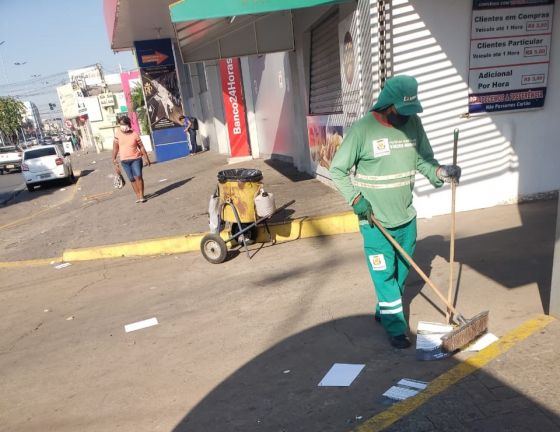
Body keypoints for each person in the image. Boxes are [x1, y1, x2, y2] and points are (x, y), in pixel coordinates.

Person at [329, 75, 461, 349]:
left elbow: (425, 161)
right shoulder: (363, 131)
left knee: (401, 273)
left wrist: (441, 171)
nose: (407, 117)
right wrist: (355, 200)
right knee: (384, 275)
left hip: (406, 218)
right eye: (402, 111)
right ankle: (396, 327)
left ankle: (385, 309)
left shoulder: (413, 124)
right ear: (388, 105)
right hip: (374, 221)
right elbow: (337, 170)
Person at [112, 116, 151, 203]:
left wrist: (146, 158)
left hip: (136, 159)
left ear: (128, 124)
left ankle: (142, 195)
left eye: (124, 124)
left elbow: (141, 147)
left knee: (138, 177)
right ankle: (137, 196)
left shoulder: (134, 134)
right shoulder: (117, 134)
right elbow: (115, 148)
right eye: (121, 124)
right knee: (131, 179)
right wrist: (113, 159)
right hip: (124, 161)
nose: (123, 126)